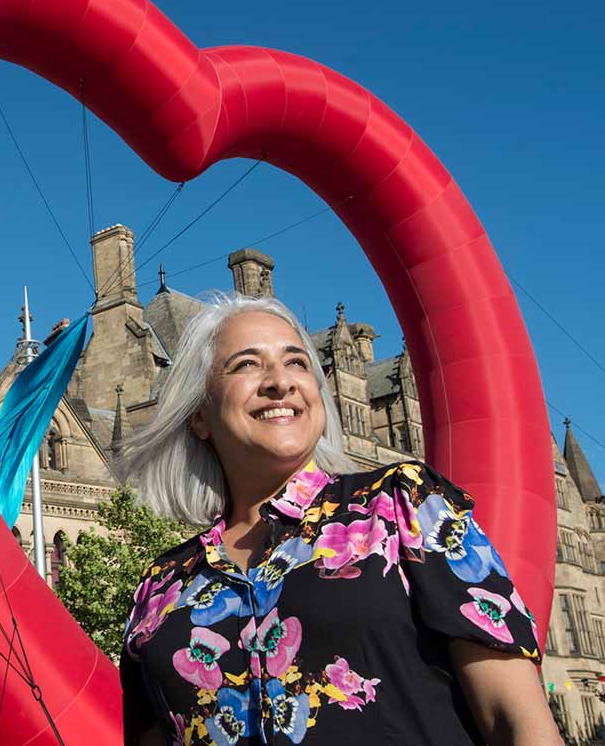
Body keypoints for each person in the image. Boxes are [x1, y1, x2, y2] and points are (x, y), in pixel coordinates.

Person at [119, 294, 562, 746]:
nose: (280, 382)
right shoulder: (164, 583)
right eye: (247, 364)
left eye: (297, 363)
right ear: (198, 416)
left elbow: (517, 720)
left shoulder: (401, 505)